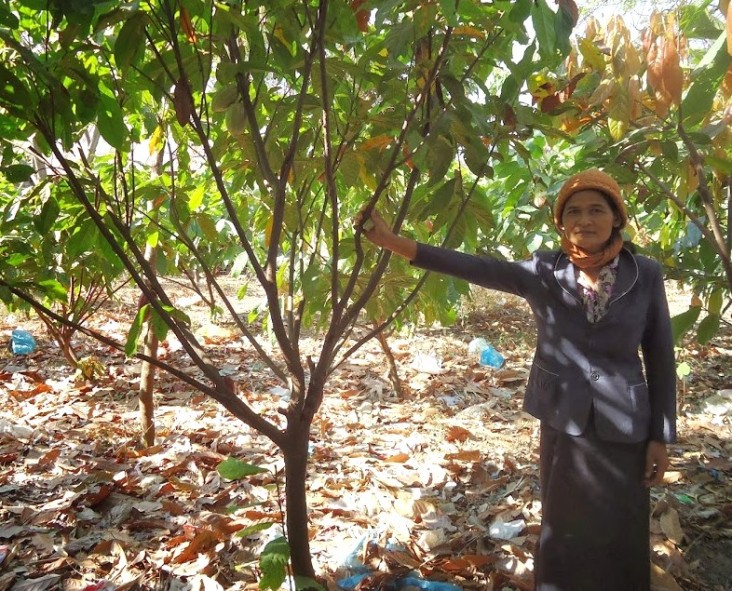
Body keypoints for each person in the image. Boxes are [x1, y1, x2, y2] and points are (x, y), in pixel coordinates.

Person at [357, 168, 677, 591]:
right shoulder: (545, 269)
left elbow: (660, 354)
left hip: (627, 421)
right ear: (561, 223)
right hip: (565, 418)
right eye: (574, 212)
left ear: (616, 217)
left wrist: (661, 435)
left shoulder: (645, 273)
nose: (585, 219)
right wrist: (393, 242)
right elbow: (476, 267)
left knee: (624, 522)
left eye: (597, 210)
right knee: (563, 523)